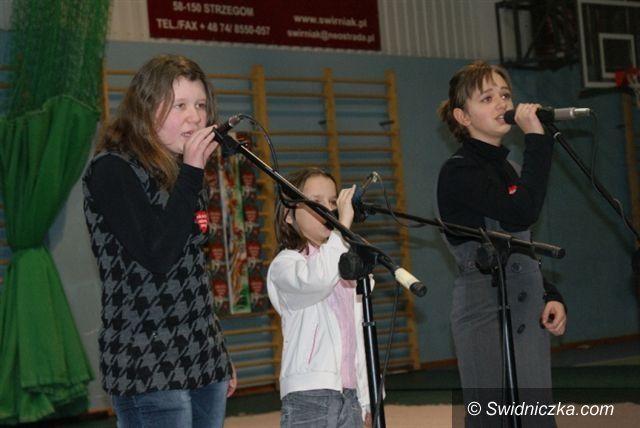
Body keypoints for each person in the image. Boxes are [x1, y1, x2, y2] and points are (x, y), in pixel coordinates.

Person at [83, 54, 236, 428]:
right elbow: (158, 254)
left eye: (200, 105)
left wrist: (219, 350)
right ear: (146, 109)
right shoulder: (113, 169)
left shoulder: (182, 173)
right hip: (147, 360)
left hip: (202, 355)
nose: (195, 117)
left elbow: (192, 272)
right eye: (180, 105)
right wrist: (192, 173)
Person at [435, 60, 567, 427]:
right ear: (463, 116)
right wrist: (536, 140)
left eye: (505, 95)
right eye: (487, 98)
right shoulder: (459, 170)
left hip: (525, 304)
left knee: (536, 417)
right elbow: (521, 213)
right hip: (484, 307)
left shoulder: (508, 168)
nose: (501, 104)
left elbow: (521, 242)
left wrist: (549, 293)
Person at [267, 167, 373, 428]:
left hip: (351, 393)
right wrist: (341, 229)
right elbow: (319, 279)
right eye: (316, 202)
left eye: (333, 202)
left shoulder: (341, 258)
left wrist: (369, 399)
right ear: (288, 215)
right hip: (309, 394)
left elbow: (359, 337)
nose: (328, 210)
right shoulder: (285, 265)